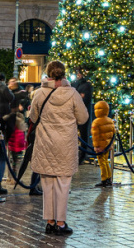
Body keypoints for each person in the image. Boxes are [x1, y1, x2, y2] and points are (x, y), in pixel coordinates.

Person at [29, 61, 88, 236]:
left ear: (47, 73)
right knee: (63, 183)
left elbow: (33, 117)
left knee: (47, 183)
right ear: (63, 74)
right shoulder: (72, 93)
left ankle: (49, 221)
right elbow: (83, 117)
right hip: (65, 144)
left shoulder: (39, 93)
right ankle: (61, 223)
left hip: (46, 142)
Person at [91, 101, 115, 187]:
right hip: (107, 145)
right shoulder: (110, 120)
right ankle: (108, 178)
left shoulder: (96, 122)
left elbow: (96, 136)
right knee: (106, 162)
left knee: (102, 162)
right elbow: (113, 133)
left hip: (100, 146)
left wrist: (97, 146)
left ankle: (104, 179)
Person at [72, 67, 93, 163]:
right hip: (74, 112)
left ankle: (82, 155)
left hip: (83, 112)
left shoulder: (87, 85)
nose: (78, 74)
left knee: (83, 133)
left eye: (80, 73)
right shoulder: (75, 83)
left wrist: (79, 97)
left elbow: (85, 99)